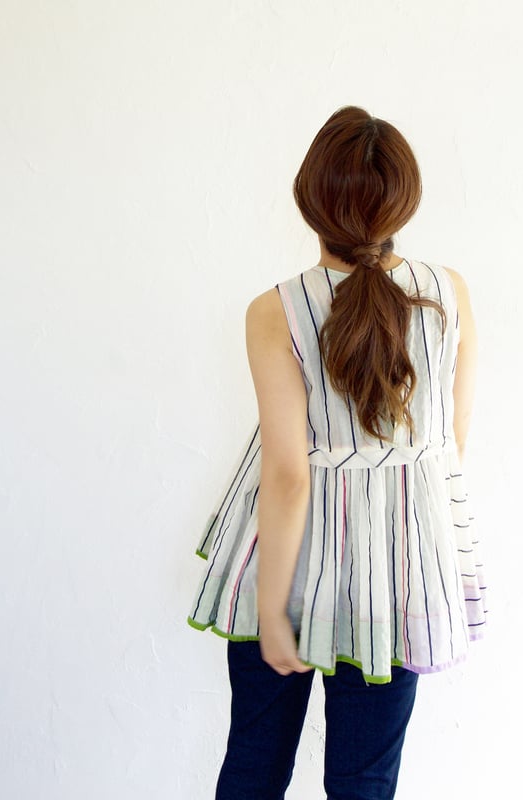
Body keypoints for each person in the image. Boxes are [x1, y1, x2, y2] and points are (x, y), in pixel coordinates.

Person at [186, 105, 488, 800]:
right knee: (365, 781)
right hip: (397, 570)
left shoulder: (276, 310)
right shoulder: (448, 292)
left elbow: (289, 476)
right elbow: (453, 439)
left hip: (284, 563)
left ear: (309, 200)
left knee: (255, 762)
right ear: (405, 201)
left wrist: (271, 611)